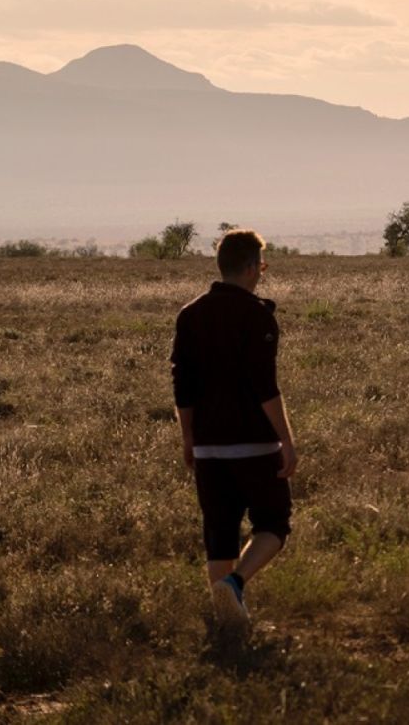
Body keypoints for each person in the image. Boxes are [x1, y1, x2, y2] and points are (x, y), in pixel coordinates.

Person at [171, 228, 297, 631]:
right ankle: (235, 582)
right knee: (274, 524)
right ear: (248, 268)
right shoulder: (257, 315)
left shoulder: (189, 314)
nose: (262, 272)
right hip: (255, 444)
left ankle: (227, 624)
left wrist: (188, 438)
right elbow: (265, 387)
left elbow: (183, 386)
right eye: (261, 265)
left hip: (208, 445)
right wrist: (288, 441)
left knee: (219, 533)